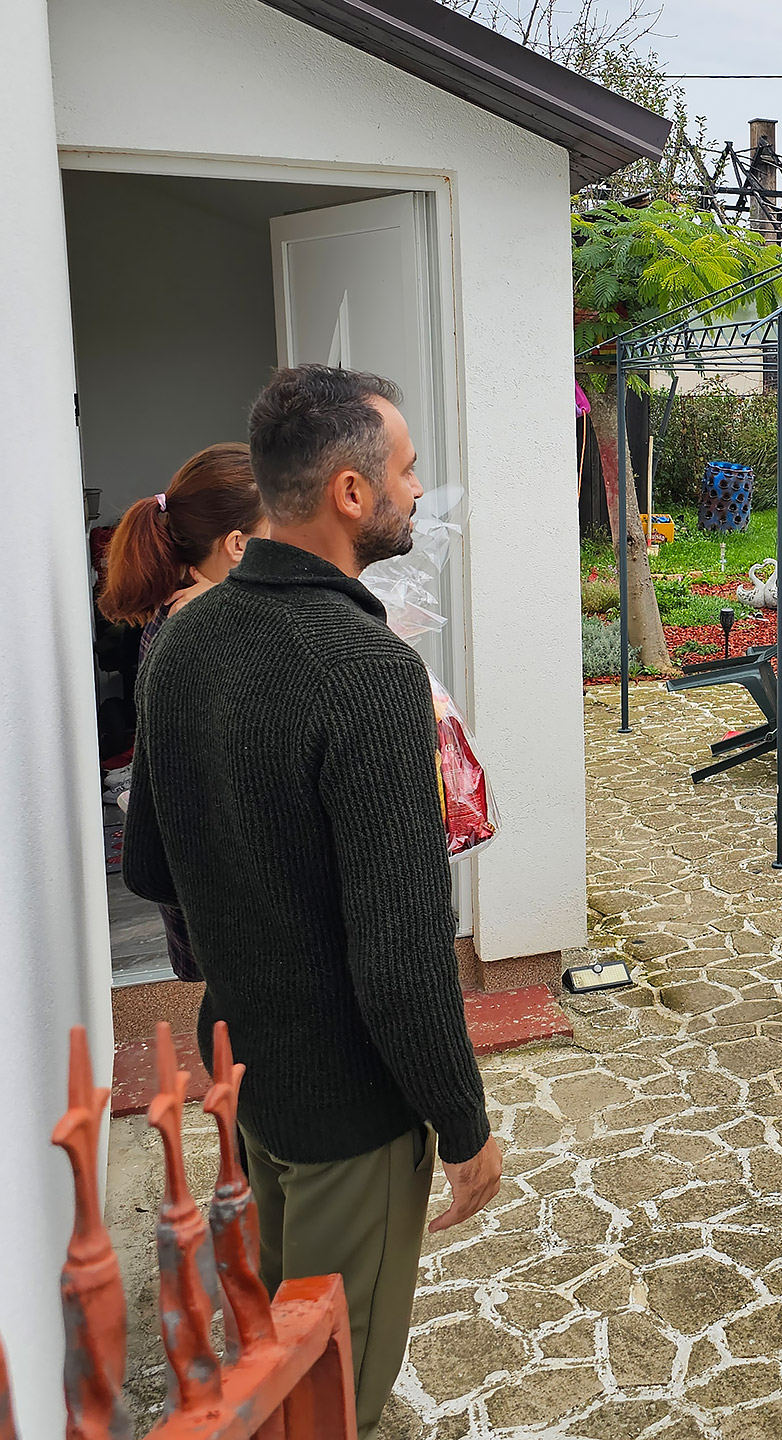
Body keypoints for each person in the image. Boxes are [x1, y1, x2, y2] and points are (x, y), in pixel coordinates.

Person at [123, 366, 503, 1439]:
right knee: (331, 1393)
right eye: (407, 470)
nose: (417, 489)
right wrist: (464, 1125)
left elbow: (151, 867)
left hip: (244, 1074)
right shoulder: (368, 672)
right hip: (350, 1107)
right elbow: (401, 957)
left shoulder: (182, 640)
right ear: (349, 491)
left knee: (271, 1354)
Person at [98, 443, 268, 982]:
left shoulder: (194, 614)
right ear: (238, 545)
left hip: (220, 903)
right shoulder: (198, 632)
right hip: (233, 912)